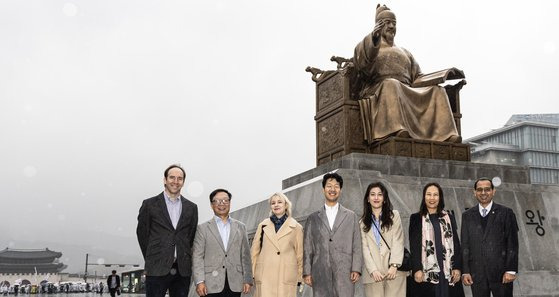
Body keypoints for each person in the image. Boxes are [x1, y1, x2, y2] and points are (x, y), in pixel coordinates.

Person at [353, 4, 460, 143]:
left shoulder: (405, 52)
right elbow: (362, 63)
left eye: (394, 23)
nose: (391, 26)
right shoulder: (370, 46)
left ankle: (447, 134)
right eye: (387, 23)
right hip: (378, 89)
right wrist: (374, 38)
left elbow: (418, 77)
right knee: (391, 84)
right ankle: (396, 129)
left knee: (437, 91)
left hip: (406, 89)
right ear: (378, 25)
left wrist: (441, 77)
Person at [136, 164, 199, 297]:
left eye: (179, 178)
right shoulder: (149, 205)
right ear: (165, 180)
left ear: (183, 182)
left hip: (182, 269)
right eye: (172, 177)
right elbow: (142, 234)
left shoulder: (192, 208)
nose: (175, 181)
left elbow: (190, 236)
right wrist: (153, 257)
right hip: (157, 268)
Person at [303, 172, 362, 297]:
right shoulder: (312, 218)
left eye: (336, 186)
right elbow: (308, 247)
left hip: (345, 272)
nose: (332, 189)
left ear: (340, 190)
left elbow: (357, 244)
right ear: (323, 189)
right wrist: (306, 272)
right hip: (320, 271)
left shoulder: (351, 216)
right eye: (329, 186)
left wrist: (356, 268)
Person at [461, 178, 519, 297]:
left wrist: (511, 270)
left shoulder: (506, 213)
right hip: (477, 275)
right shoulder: (467, 215)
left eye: (487, 189)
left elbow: (512, 243)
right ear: (474, 192)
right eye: (479, 190)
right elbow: (465, 244)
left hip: (502, 274)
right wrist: (465, 271)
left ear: (493, 191)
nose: (483, 193)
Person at [192, 189, 253, 297]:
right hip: (210, 284)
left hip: (235, 282)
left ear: (230, 203)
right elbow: (197, 257)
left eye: (225, 200)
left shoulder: (241, 227)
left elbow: (246, 256)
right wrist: (199, 281)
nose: (222, 204)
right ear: (212, 205)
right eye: (218, 201)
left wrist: (248, 279)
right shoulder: (202, 228)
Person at [409, 183, 464, 297]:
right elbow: (414, 246)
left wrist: (458, 267)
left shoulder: (449, 217)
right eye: (429, 194)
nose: (432, 198)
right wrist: (417, 269)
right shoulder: (416, 218)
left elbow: (456, 244)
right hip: (427, 272)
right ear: (424, 197)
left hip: (447, 271)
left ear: (440, 197)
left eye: (435, 195)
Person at [251, 192, 304, 297]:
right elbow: (254, 252)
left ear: (286, 205)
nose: (276, 205)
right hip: (265, 275)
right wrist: (252, 274)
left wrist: (300, 277)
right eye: (273, 203)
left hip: (285, 275)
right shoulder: (262, 225)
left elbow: (300, 254)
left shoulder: (296, 227)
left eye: (279, 202)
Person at [360, 182, 407, 297]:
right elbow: (364, 248)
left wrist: (394, 265)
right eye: (372, 194)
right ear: (368, 199)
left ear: (384, 199)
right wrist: (373, 270)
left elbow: (398, 240)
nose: (376, 198)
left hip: (394, 272)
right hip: (373, 276)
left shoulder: (394, 216)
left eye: (380, 194)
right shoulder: (362, 223)